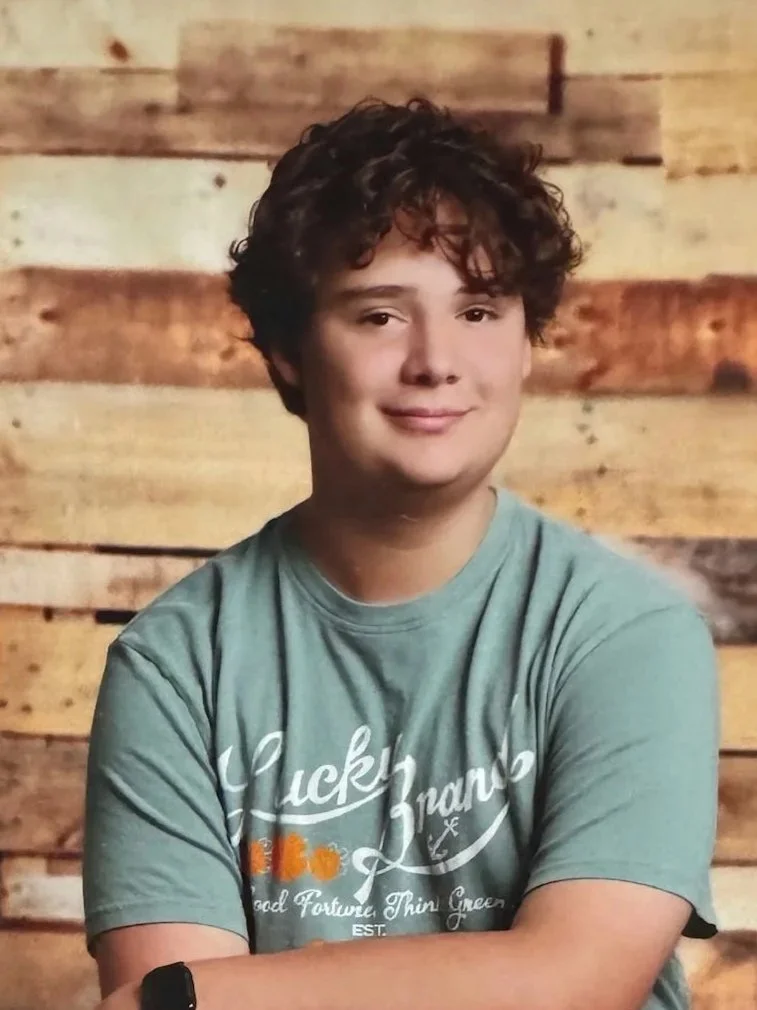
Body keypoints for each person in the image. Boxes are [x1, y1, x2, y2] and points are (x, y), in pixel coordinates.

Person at [84, 97, 720, 1010]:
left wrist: (216, 996)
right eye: (379, 316)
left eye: (477, 309)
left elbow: (573, 983)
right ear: (291, 350)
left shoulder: (625, 634)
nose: (435, 360)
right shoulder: (176, 664)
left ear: (526, 342)